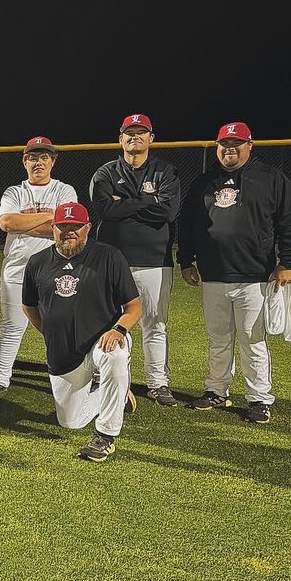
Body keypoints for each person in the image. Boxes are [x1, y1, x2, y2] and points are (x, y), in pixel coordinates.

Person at [178, 121, 291, 424]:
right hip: (213, 275)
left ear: (250, 145)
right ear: (217, 147)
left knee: (253, 339)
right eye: (224, 144)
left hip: (254, 276)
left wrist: (287, 262)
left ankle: (259, 397)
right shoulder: (204, 182)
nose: (229, 149)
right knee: (218, 337)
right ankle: (216, 390)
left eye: (236, 143)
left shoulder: (270, 178)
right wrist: (186, 260)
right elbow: (188, 224)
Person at [22, 202, 141, 462]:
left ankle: (105, 437)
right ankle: (116, 396)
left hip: (103, 339)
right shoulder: (37, 263)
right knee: (70, 422)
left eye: (75, 227)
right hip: (64, 351)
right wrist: (50, 332)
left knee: (115, 355)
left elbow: (134, 307)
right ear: (52, 228)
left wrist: (119, 330)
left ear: (87, 228)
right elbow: (29, 306)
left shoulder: (109, 257)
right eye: (63, 227)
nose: (69, 232)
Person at [88, 114, 182, 407]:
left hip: (155, 260)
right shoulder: (105, 172)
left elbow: (168, 213)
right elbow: (104, 210)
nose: (135, 137)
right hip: (112, 260)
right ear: (121, 138)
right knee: (109, 322)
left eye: (141, 133)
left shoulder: (165, 171)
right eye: (129, 133)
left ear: (151, 138)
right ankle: (109, 377)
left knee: (155, 323)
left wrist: (124, 203)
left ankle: (157, 382)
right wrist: (149, 202)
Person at [0, 136, 78, 398]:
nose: (38, 162)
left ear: (52, 162)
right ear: (25, 161)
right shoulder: (15, 191)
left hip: (56, 269)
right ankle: (0, 377)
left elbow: (66, 228)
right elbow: (6, 223)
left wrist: (25, 221)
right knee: (12, 325)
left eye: (44, 157)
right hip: (17, 268)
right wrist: (50, 217)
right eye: (33, 157)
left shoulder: (64, 190)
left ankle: (67, 374)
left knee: (60, 325)